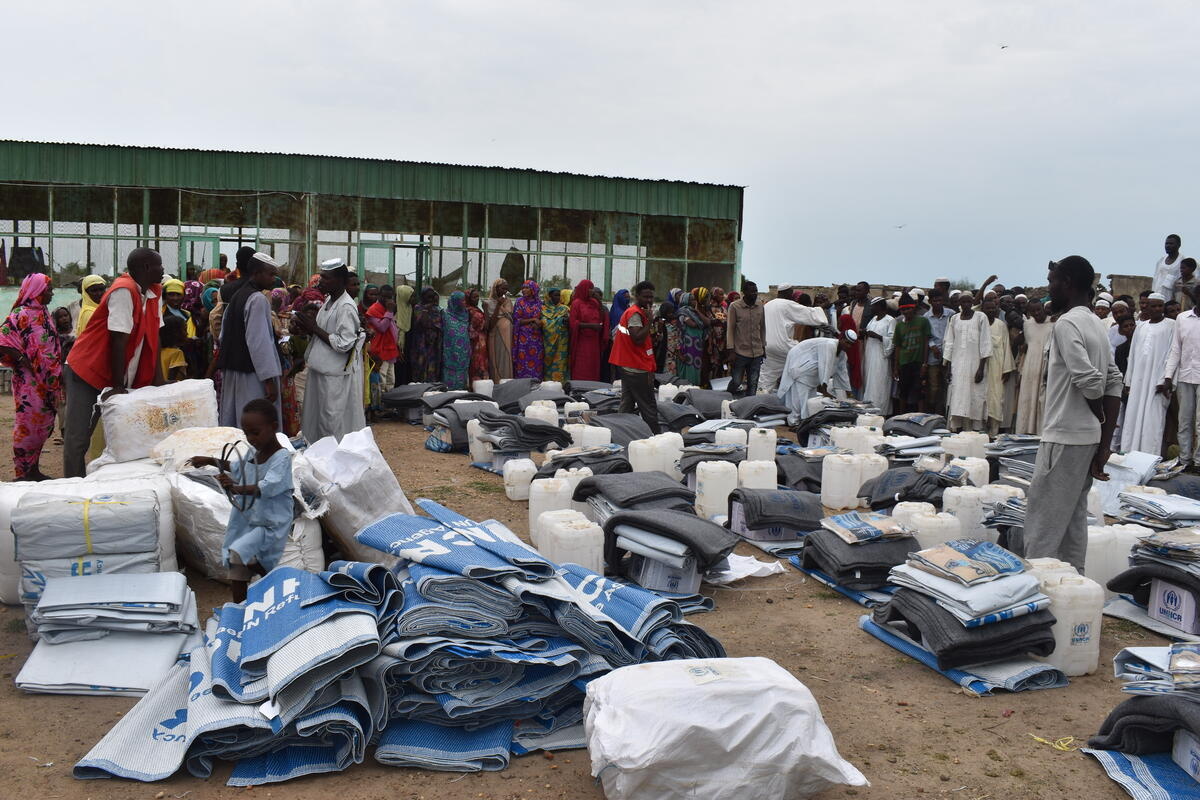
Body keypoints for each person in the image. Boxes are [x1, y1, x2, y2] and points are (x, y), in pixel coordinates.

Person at [1022, 257, 1122, 569]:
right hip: (1087, 440)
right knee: (1074, 519)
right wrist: (1104, 442)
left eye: (1052, 281)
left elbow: (1092, 383)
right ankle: (1072, 583)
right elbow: (1114, 380)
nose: (1049, 288)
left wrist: (1099, 417)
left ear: (1067, 282)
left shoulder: (1066, 324)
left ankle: (1038, 586)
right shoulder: (1092, 321)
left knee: (1044, 519)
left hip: (1064, 436)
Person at [62, 248, 165, 478]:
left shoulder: (154, 292)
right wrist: (117, 386)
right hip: (88, 371)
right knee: (78, 437)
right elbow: (118, 339)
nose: (163, 269)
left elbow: (155, 337)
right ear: (146, 268)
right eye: (159, 265)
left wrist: (158, 379)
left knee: (122, 436)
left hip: (115, 375)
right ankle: (72, 485)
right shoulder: (123, 291)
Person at [187, 398, 294, 603]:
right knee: (237, 560)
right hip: (249, 517)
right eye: (247, 433)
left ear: (273, 427)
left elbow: (266, 487)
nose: (251, 438)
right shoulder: (254, 451)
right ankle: (243, 607)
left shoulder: (281, 458)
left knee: (240, 556)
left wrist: (235, 487)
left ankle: (267, 595)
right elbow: (237, 467)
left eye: (256, 432)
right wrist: (210, 460)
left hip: (270, 521)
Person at [294, 259, 365, 442]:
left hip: (334, 376)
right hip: (320, 370)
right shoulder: (328, 301)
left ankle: (332, 462)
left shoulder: (346, 307)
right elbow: (322, 331)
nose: (321, 282)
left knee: (331, 421)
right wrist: (306, 326)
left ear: (340, 280)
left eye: (326, 278)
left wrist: (314, 328)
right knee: (315, 419)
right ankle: (318, 458)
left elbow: (344, 343)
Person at [0, 273, 62, 480]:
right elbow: (2, 340)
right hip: (30, 383)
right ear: (37, 291)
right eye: (49, 290)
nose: (52, 293)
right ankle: (22, 473)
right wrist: (19, 358)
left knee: (43, 425)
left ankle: (33, 469)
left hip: (48, 381)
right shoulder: (21, 314)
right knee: (28, 426)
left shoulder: (43, 313)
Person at [216, 252, 282, 427]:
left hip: (234, 370)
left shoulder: (237, 296)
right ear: (256, 273)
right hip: (252, 375)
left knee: (235, 419)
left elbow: (222, 335)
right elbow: (258, 342)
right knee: (255, 424)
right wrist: (269, 381)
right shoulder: (257, 299)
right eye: (270, 274)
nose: (273, 279)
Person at [1121, 292, 1175, 455]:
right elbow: (1133, 355)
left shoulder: (1171, 325)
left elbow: (1173, 353)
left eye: (1160, 306)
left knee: (1153, 418)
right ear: (1147, 308)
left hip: (1157, 381)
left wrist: (1166, 379)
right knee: (1133, 416)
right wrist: (1128, 381)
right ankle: (1129, 453)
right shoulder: (1141, 327)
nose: (1157, 309)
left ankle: (1149, 456)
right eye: (1154, 306)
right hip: (1138, 380)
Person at [609, 281, 660, 434]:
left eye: (651, 297)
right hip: (636, 366)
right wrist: (650, 321)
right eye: (645, 297)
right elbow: (637, 338)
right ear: (637, 296)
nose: (649, 300)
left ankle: (619, 432)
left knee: (627, 403)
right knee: (648, 406)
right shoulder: (635, 314)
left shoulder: (639, 312)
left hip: (630, 363)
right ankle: (656, 436)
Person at [756, 286, 830, 393]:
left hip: (766, 347)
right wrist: (822, 308)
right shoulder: (787, 304)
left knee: (766, 377)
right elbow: (808, 313)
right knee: (805, 366)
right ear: (789, 293)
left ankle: (759, 399)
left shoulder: (768, 305)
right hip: (783, 346)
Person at [777, 330, 856, 421]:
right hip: (800, 365)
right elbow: (824, 366)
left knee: (809, 403)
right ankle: (794, 422)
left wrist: (849, 393)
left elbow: (843, 373)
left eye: (850, 344)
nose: (848, 346)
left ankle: (803, 421)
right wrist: (824, 391)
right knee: (799, 401)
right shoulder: (829, 345)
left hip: (811, 375)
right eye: (847, 342)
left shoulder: (843, 355)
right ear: (841, 339)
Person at [1162, 286, 1200, 471]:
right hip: (1185, 376)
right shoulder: (1182, 319)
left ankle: (1199, 461)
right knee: (1184, 420)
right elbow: (1176, 349)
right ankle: (1185, 459)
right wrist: (1168, 376)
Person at [942, 290, 992, 432]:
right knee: (958, 395)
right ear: (959, 303)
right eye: (963, 302)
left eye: (969, 301)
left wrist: (981, 368)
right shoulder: (954, 319)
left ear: (972, 303)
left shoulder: (980, 317)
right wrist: (948, 367)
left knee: (975, 395)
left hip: (976, 365)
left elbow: (985, 343)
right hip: (957, 366)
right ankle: (958, 429)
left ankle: (975, 430)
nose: (966, 304)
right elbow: (949, 343)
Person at [1015, 300, 1053, 435]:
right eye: (1033, 311)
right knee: (1028, 398)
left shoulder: (1053, 324)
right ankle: (1025, 432)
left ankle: (1041, 433)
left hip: (1045, 366)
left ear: (1043, 308)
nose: (1037, 313)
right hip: (1030, 366)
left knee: (1042, 400)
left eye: (1039, 310)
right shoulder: (1027, 325)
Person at [982, 294, 1017, 435]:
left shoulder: (1001, 325)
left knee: (996, 398)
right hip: (981, 368)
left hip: (997, 366)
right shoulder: (979, 323)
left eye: (993, 308)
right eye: (987, 308)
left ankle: (994, 433)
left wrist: (1006, 368)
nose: (991, 310)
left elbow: (1006, 346)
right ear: (982, 310)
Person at [726, 280, 765, 398]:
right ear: (744, 293)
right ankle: (727, 397)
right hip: (740, 352)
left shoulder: (760, 306)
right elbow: (730, 329)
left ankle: (749, 407)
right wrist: (731, 350)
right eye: (751, 292)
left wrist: (764, 346)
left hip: (757, 352)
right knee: (737, 381)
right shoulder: (735, 306)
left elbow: (763, 327)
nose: (754, 294)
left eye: (756, 291)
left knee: (753, 383)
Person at [892, 294, 931, 414]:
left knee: (919, 392)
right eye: (903, 309)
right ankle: (901, 417)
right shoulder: (899, 326)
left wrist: (925, 363)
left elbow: (926, 343)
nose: (906, 311)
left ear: (914, 308)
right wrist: (896, 367)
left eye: (908, 308)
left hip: (918, 362)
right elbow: (898, 347)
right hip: (904, 362)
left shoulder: (923, 321)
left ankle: (920, 417)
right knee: (903, 392)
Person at [861, 297, 896, 414]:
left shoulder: (890, 320)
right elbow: (868, 331)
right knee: (870, 383)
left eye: (873, 306)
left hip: (881, 357)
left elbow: (893, 340)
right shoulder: (873, 320)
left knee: (879, 383)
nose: (871, 308)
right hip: (870, 354)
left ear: (880, 307)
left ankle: (881, 412)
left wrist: (878, 336)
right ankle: (869, 410)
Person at [567, 278, 606, 382]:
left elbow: (602, 316)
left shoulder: (594, 302)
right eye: (590, 288)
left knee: (593, 365)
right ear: (584, 289)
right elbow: (573, 323)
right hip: (582, 342)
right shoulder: (576, 303)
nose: (592, 291)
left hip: (594, 341)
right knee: (582, 366)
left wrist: (599, 301)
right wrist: (590, 326)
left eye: (593, 288)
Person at [365, 285, 401, 392]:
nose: (387, 300)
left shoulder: (389, 308)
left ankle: (390, 401)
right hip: (381, 350)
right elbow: (382, 327)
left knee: (391, 379)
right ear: (379, 296)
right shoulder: (373, 310)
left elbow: (393, 327)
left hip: (391, 349)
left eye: (390, 297)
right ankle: (380, 403)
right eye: (385, 297)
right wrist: (389, 311)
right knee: (382, 379)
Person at [923, 288, 951, 414]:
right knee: (933, 388)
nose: (938, 303)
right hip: (933, 357)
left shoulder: (951, 314)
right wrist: (932, 345)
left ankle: (944, 413)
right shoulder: (926, 317)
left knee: (947, 386)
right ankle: (932, 412)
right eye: (935, 301)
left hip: (948, 356)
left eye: (940, 300)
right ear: (930, 301)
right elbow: (926, 336)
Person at [409, 287, 444, 383]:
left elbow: (439, 325)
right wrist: (425, 310)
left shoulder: (437, 310)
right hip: (421, 342)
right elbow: (422, 324)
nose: (431, 299)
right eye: (428, 297)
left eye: (432, 297)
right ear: (423, 296)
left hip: (433, 344)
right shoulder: (417, 308)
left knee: (432, 367)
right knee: (420, 365)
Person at [512, 280, 544, 379]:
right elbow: (517, 320)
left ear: (533, 290)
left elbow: (543, 317)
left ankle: (536, 386)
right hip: (523, 338)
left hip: (536, 338)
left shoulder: (539, 302)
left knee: (537, 362)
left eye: (527, 288)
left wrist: (540, 323)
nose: (523, 290)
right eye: (523, 288)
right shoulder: (519, 302)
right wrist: (533, 319)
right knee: (522, 361)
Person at [675, 291, 707, 385]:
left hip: (697, 344)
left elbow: (706, 323)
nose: (695, 301)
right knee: (689, 365)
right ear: (686, 301)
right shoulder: (683, 312)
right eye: (692, 300)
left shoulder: (694, 312)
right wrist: (700, 321)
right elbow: (692, 324)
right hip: (688, 343)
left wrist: (697, 313)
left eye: (694, 299)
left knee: (696, 365)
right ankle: (687, 386)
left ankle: (695, 385)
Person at [485, 279, 514, 380]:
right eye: (503, 288)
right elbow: (490, 325)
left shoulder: (509, 301)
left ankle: (507, 380)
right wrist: (498, 305)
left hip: (508, 336)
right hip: (496, 335)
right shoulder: (488, 303)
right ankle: (497, 381)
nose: (505, 291)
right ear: (495, 288)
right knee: (497, 358)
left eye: (506, 289)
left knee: (507, 357)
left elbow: (511, 318)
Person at [442, 291, 471, 390]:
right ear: (455, 301)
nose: (464, 302)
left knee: (462, 380)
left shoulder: (466, 314)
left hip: (463, 353)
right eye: (461, 300)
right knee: (450, 380)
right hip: (450, 354)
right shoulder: (445, 315)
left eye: (464, 300)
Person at [542, 287, 569, 382]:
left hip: (561, 344)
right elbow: (543, 324)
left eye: (559, 295)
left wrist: (566, 321)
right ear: (549, 297)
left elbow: (569, 323)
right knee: (547, 365)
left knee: (560, 364)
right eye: (555, 295)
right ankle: (547, 385)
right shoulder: (542, 309)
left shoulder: (564, 309)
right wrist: (559, 321)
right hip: (547, 344)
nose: (558, 297)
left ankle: (561, 385)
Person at [465, 288, 490, 383]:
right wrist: (486, 310)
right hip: (477, 344)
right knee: (479, 366)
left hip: (478, 343)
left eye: (478, 297)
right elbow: (486, 326)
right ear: (468, 298)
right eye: (474, 297)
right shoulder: (473, 312)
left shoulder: (473, 309)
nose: (477, 299)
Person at [1153, 234, 1185, 301]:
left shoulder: (1182, 261)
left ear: (1179, 245)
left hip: (1172, 301)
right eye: (1166, 243)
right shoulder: (1161, 261)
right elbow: (1155, 280)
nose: (1168, 246)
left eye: (1171, 244)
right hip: (1156, 298)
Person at [707, 286, 730, 382]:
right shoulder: (708, 308)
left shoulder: (723, 308)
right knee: (714, 364)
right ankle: (713, 384)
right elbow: (709, 326)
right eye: (720, 294)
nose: (723, 296)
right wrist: (710, 344)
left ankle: (722, 383)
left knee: (723, 363)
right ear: (714, 295)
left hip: (724, 340)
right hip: (714, 341)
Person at [159, 315, 189, 383]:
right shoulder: (177, 353)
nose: (187, 333)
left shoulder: (157, 351)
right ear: (175, 333)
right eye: (184, 330)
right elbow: (172, 380)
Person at [654, 301, 679, 375]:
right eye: (668, 313)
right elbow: (657, 340)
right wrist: (660, 329)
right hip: (663, 354)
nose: (671, 314)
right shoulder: (658, 322)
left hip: (673, 355)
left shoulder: (674, 322)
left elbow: (676, 338)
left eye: (672, 312)